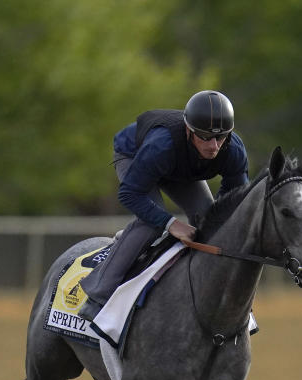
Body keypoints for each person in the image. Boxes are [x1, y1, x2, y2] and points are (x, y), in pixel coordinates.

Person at [77, 90, 249, 322]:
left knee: (209, 219)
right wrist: (171, 224)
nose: (214, 146)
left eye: (220, 138)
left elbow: (234, 199)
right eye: (205, 137)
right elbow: (129, 194)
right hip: (135, 156)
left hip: (178, 167)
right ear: (188, 131)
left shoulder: (234, 151)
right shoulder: (162, 145)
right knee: (151, 225)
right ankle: (98, 295)